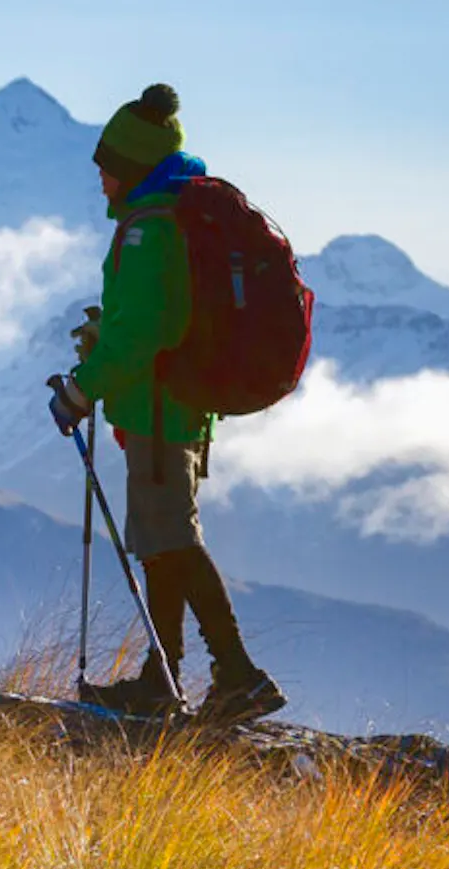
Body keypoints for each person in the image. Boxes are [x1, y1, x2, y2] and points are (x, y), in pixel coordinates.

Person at [48, 83, 286, 723]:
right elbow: (152, 320)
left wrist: (80, 388)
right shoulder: (163, 219)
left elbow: (142, 334)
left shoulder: (148, 232)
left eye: (108, 167)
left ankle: (237, 674)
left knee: (172, 540)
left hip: (158, 407)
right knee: (161, 542)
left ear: (132, 168)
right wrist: (108, 335)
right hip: (166, 404)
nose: (100, 177)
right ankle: (164, 677)